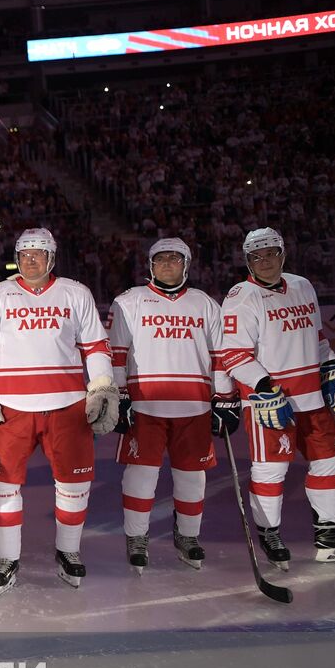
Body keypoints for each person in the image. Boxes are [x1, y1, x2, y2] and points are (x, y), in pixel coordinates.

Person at [0, 228, 117, 595]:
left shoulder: (76, 293)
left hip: (67, 406)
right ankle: (7, 557)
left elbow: (96, 346)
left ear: (52, 257)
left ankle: (68, 551)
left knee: (74, 484)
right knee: (2, 487)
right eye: (25, 253)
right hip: (11, 408)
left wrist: (102, 386)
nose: (31, 259)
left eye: (39, 253)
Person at [108, 238, 237, 572]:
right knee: (141, 476)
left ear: (187, 264)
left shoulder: (205, 304)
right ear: (150, 265)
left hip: (195, 407)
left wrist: (224, 398)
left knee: (192, 478)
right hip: (145, 406)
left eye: (174, 259)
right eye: (160, 259)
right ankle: (136, 538)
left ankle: (188, 536)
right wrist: (118, 395)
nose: (167, 264)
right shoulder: (129, 301)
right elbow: (116, 354)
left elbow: (219, 355)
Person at [219, 227, 335, 566]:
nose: (265, 262)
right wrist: (263, 386)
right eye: (256, 257)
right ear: (247, 261)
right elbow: (234, 355)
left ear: (282, 253)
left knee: (331, 461)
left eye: (270, 253)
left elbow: (317, 338)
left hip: (311, 398)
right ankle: (270, 533)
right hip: (269, 402)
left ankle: (329, 532)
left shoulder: (303, 286)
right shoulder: (241, 297)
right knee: (271, 470)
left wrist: (330, 366)